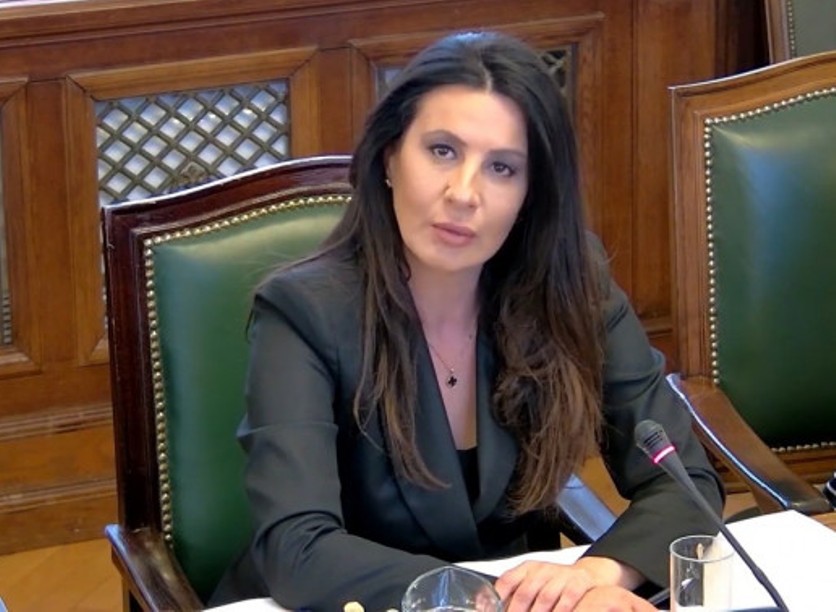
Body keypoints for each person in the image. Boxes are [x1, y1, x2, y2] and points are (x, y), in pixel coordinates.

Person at [210, 31, 724, 611]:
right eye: (442, 151)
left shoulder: (573, 284)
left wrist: (597, 574)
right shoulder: (303, 312)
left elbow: (683, 482)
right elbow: (297, 545)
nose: (463, 193)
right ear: (389, 157)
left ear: (530, 194)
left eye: (502, 167)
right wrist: (493, 600)